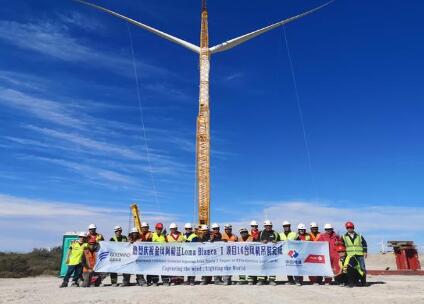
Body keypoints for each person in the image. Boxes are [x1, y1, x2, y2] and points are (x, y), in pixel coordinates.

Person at [342, 221, 367, 286]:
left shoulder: (359, 235)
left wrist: (365, 252)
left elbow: (364, 243)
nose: (349, 229)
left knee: (362, 268)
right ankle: (352, 282)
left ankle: (363, 282)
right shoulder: (344, 236)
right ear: (346, 228)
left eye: (351, 227)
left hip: (359, 254)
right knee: (350, 269)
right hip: (350, 255)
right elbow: (342, 246)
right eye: (348, 227)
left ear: (353, 228)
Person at [257, 220, 280, 286]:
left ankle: (271, 280)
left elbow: (280, 242)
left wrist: (276, 242)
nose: (269, 227)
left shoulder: (275, 233)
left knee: (272, 266)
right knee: (262, 266)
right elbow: (256, 242)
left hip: (272, 254)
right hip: (263, 254)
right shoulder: (260, 233)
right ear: (264, 226)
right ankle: (261, 280)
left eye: (270, 226)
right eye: (267, 226)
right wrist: (261, 241)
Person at [279, 221, 298, 285]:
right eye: (285, 226)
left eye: (287, 226)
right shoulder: (280, 235)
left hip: (293, 253)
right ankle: (290, 280)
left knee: (295, 267)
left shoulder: (294, 234)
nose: (286, 227)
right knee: (288, 267)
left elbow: (299, 243)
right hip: (284, 253)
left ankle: (297, 280)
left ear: (290, 226)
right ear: (283, 227)